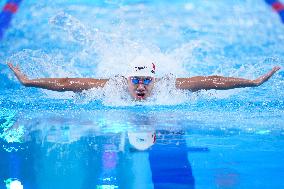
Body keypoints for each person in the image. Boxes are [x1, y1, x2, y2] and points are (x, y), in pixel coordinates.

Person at [7, 57, 280, 100]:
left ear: (154, 80)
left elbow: (213, 80)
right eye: (136, 80)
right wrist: (29, 81)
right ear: (126, 79)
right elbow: (67, 84)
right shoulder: (111, 87)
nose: (140, 86)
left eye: (146, 81)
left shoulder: (168, 87)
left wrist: (253, 82)